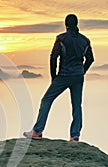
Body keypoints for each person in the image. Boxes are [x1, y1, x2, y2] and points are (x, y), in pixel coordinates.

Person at [24, 14, 94, 142]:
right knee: (77, 105)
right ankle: (75, 136)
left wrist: (54, 76)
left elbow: (53, 57)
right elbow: (90, 59)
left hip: (63, 75)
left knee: (46, 100)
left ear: (66, 24)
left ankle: (37, 132)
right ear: (77, 23)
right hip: (78, 76)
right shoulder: (85, 40)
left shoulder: (61, 38)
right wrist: (81, 72)